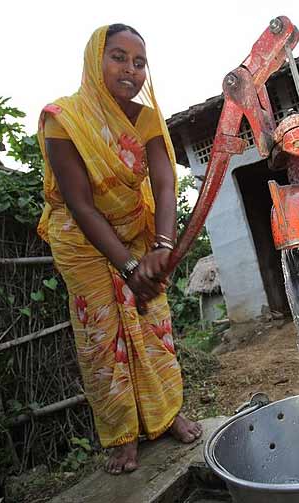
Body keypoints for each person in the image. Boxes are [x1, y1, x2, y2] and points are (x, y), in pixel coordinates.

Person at [36, 23, 202, 475]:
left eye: (140, 62)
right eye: (119, 57)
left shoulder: (147, 119)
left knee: (153, 324)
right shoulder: (63, 118)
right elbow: (80, 203)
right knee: (101, 337)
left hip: (135, 232)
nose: (130, 69)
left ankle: (166, 415)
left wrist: (162, 247)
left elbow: (165, 184)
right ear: (96, 60)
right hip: (82, 241)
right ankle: (122, 436)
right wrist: (128, 265)